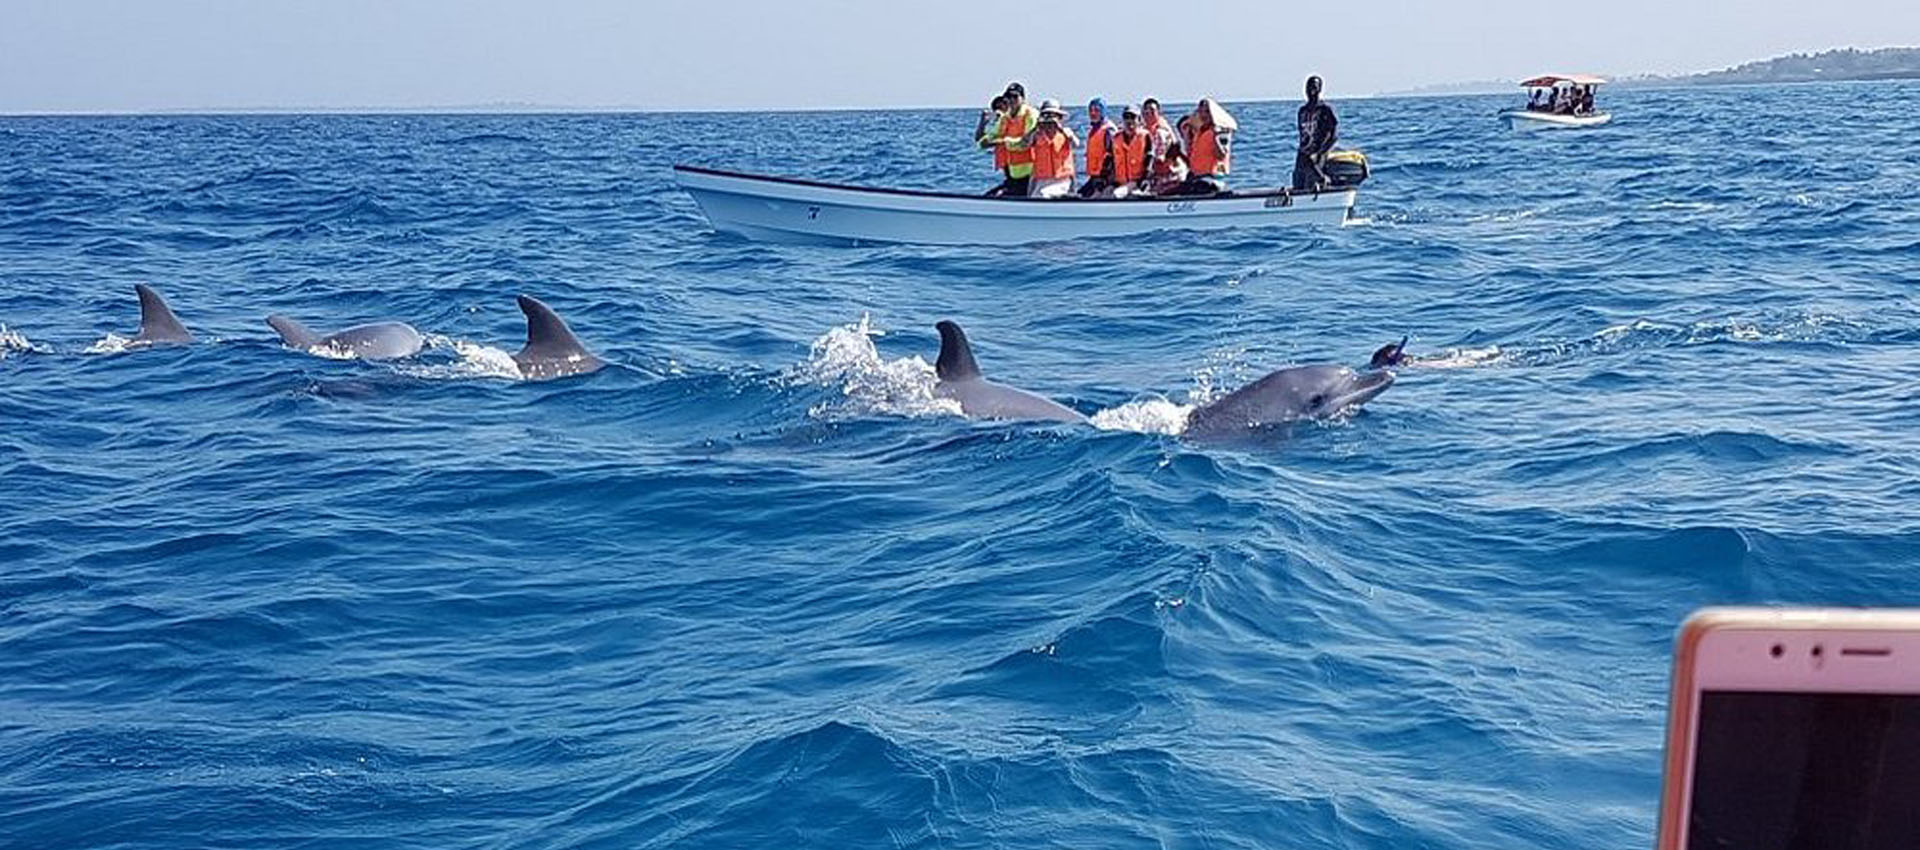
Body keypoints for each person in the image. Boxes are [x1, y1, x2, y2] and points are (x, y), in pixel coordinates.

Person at [978, 82, 1039, 197]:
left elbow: (1025, 143)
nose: (1011, 100)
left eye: (1015, 96)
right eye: (1008, 97)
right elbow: (984, 141)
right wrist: (983, 127)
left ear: (1023, 98)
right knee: (990, 196)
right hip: (1013, 174)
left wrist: (1003, 141)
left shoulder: (1031, 114)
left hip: (1032, 174)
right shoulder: (1005, 118)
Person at [1169, 98, 1231, 195]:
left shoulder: (1220, 132)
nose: (1204, 115)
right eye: (1201, 112)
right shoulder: (1199, 132)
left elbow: (1221, 155)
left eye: (1207, 112)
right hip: (1197, 177)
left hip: (1211, 178)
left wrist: (1215, 137)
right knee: (1171, 190)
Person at [1022, 99, 1080, 197]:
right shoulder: (1037, 134)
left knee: (1044, 195)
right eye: (1046, 115)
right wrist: (1036, 127)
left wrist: (1060, 128)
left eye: (1053, 115)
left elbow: (1076, 144)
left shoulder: (1065, 132)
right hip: (1042, 179)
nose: (1049, 121)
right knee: (1034, 197)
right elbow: (1024, 144)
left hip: (1062, 179)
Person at [1293, 75, 1338, 191]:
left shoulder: (1325, 110)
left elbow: (1333, 136)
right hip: (1303, 154)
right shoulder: (1302, 111)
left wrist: (1320, 153)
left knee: (1313, 181)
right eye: (1308, 87)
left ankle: (1324, 181)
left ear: (1319, 89)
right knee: (1298, 185)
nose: (1310, 91)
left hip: (1318, 154)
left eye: (1314, 87)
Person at [1077, 98, 1118, 198]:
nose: (1093, 113)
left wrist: (1105, 179)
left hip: (1106, 177)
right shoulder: (1094, 130)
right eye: (1090, 110)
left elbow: (1113, 157)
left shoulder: (1109, 130)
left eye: (1096, 110)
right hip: (1094, 176)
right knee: (1078, 195)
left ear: (1103, 111)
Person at [976, 95, 1015, 196]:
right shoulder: (999, 127)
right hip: (1010, 176)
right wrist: (983, 123)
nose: (1000, 112)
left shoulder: (1016, 123)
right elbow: (980, 142)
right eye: (997, 109)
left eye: (1003, 108)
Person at [1108, 106, 1151, 197]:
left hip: (1137, 182)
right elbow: (1109, 160)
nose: (1129, 120)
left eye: (1132, 117)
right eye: (1126, 117)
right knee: (1100, 196)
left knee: (1116, 195)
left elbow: (1150, 159)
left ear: (1139, 119)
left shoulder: (1145, 136)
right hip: (1119, 181)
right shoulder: (1116, 138)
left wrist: (1145, 179)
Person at [1140, 98, 1178, 183]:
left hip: (1163, 173)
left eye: (1152, 111)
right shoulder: (1144, 128)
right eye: (1146, 111)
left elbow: (1159, 157)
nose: (1148, 114)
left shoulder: (1161, 131)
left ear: (1158, 113)